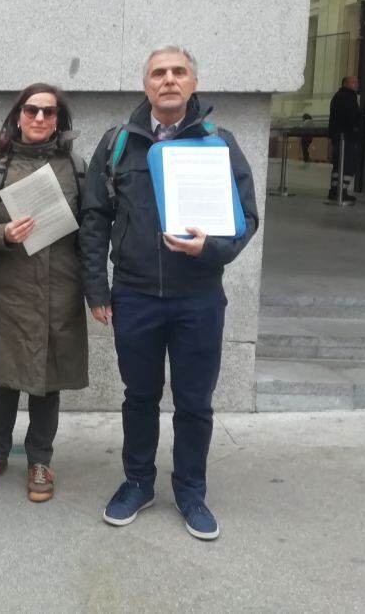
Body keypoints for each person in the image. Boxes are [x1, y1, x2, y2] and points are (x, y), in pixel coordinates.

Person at [79, 45, 259, 541]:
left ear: (193, 83)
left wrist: (212, 248)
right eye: (159, 73)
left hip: (198, 298)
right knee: (139, 396)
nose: (169, 80)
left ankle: (191, 491)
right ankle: (138, 482)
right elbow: (93, 218)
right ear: (146, 85)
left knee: (194, 401)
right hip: (135, 295)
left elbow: (247, 218)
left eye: (179, 72)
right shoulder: (117, 143)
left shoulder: (220, 143)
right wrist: (96, 286)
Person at [0, 84, 89, 503]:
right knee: (4, 375)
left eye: (48, 113)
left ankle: (39, 459)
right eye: (31, 110)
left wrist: (96, 289)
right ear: (18, 114)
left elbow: (91, 229)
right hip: (8, 288)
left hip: (59, 288)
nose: (39, 118)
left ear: (58, 120)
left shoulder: (76, 165)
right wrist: (3, 234)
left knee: (48, 380)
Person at [327, 75, 365, 203]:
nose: (356, 84)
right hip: (347, 136)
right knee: (348, 165)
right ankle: (341, 192)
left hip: (338, 135)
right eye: (353, 82)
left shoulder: (339, 96)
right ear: (346, 84)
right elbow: (353, 115)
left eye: (357, 82)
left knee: (338, 165)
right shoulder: (348, 97)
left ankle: (334, 190)